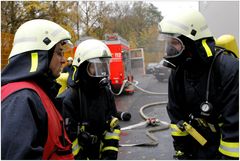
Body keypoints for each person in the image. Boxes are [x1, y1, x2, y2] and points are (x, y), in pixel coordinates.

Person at [158, 9, 239, 159]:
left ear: (191, 44)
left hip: (226, 149)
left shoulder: (229, 70)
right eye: (168, 43)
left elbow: (235, 128)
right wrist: (182, 151)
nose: (169, 49)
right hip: (199, 147)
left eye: (175, 42)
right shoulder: (178, 72)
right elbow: (177, 117)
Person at [1, 19, 74, 160]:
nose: (63, 60)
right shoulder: (21, 99)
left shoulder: (33, 94)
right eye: (59, 53)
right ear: (40, 55)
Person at [57, 39, 120, 160]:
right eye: (95, 68)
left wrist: (109, 155)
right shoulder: (71, 99)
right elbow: (69, 140)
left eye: (104, 67)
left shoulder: (106, 93)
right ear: (83, 68)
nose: (102, 73)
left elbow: (113, 127)